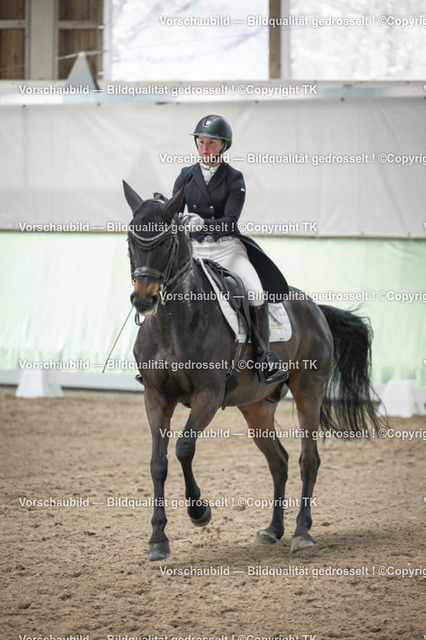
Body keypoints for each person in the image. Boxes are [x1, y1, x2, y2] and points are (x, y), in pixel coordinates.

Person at [172, 114, 289, 385]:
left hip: (226, 249)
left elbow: (230, 221)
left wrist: (203, 223)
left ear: (224, 145)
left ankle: (264, 357)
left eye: (211, 143)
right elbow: (174, 212)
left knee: (256, 293)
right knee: (166, 291)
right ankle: (158, 356)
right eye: (201, 142)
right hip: (194, 250)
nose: (205, 148)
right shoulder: (185, 175)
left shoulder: (234, 178)